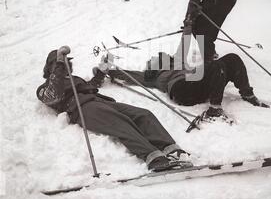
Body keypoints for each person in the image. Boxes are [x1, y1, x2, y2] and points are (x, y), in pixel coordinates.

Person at [36, 46, 191, 172]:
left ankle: (171, 149)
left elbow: (90, 86)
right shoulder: (44, 88)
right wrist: (59, 65)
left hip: (100, 102)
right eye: (63, 63)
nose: (68, 64)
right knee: (120, 123)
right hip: (82, 108)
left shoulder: (75, 79)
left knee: (143, 114)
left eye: (67, 62)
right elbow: (53, 95)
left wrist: (103, 71)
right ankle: (154, 158)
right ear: (52, 66)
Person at [94, 52, 269, 123]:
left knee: (232, 58)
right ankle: (215, 109)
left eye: (156, 57)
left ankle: (247, 94)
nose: (153, 59)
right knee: (215, 66)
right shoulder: (152, 77)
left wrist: (189, 23)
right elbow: (128, 75)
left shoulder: (180, 64)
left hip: (199, 86)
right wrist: (108, 70)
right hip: (182, 91)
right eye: (152, 60)